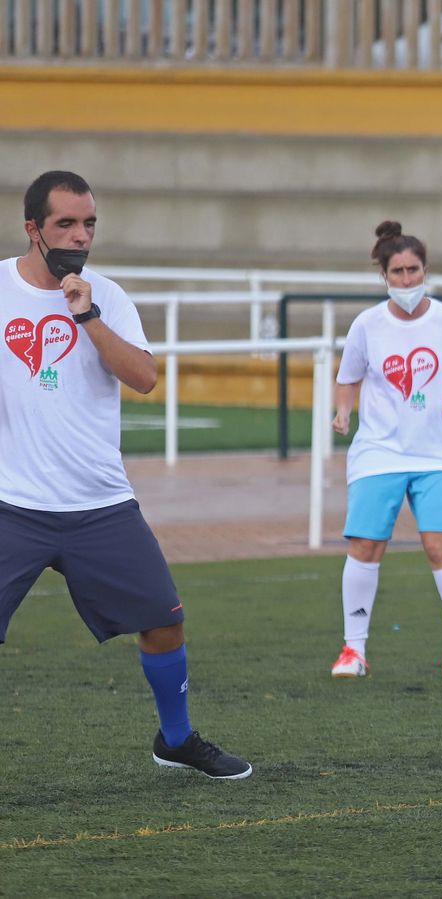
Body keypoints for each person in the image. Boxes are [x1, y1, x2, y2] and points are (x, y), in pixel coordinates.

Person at [0, 171, 251, 778]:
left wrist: (86, 316)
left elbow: (143, 377)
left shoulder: (107, 296)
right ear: (33, 228)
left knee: (164, 623)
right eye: (65, 223)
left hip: (100, 505)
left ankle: (176, 740)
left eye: (89, 223)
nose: (80, 236)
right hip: (12, 504)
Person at [329, 221, 442, 678]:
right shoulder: (367, 325)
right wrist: (343, 413)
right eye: (397, 272)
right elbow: (348, 378)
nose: (406, 280)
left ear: (425, 270)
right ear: (384, 275)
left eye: (413, 270)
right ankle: (353, 651)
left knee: (440, 545)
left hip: (438, 453)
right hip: (378, 451)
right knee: (365, 545)